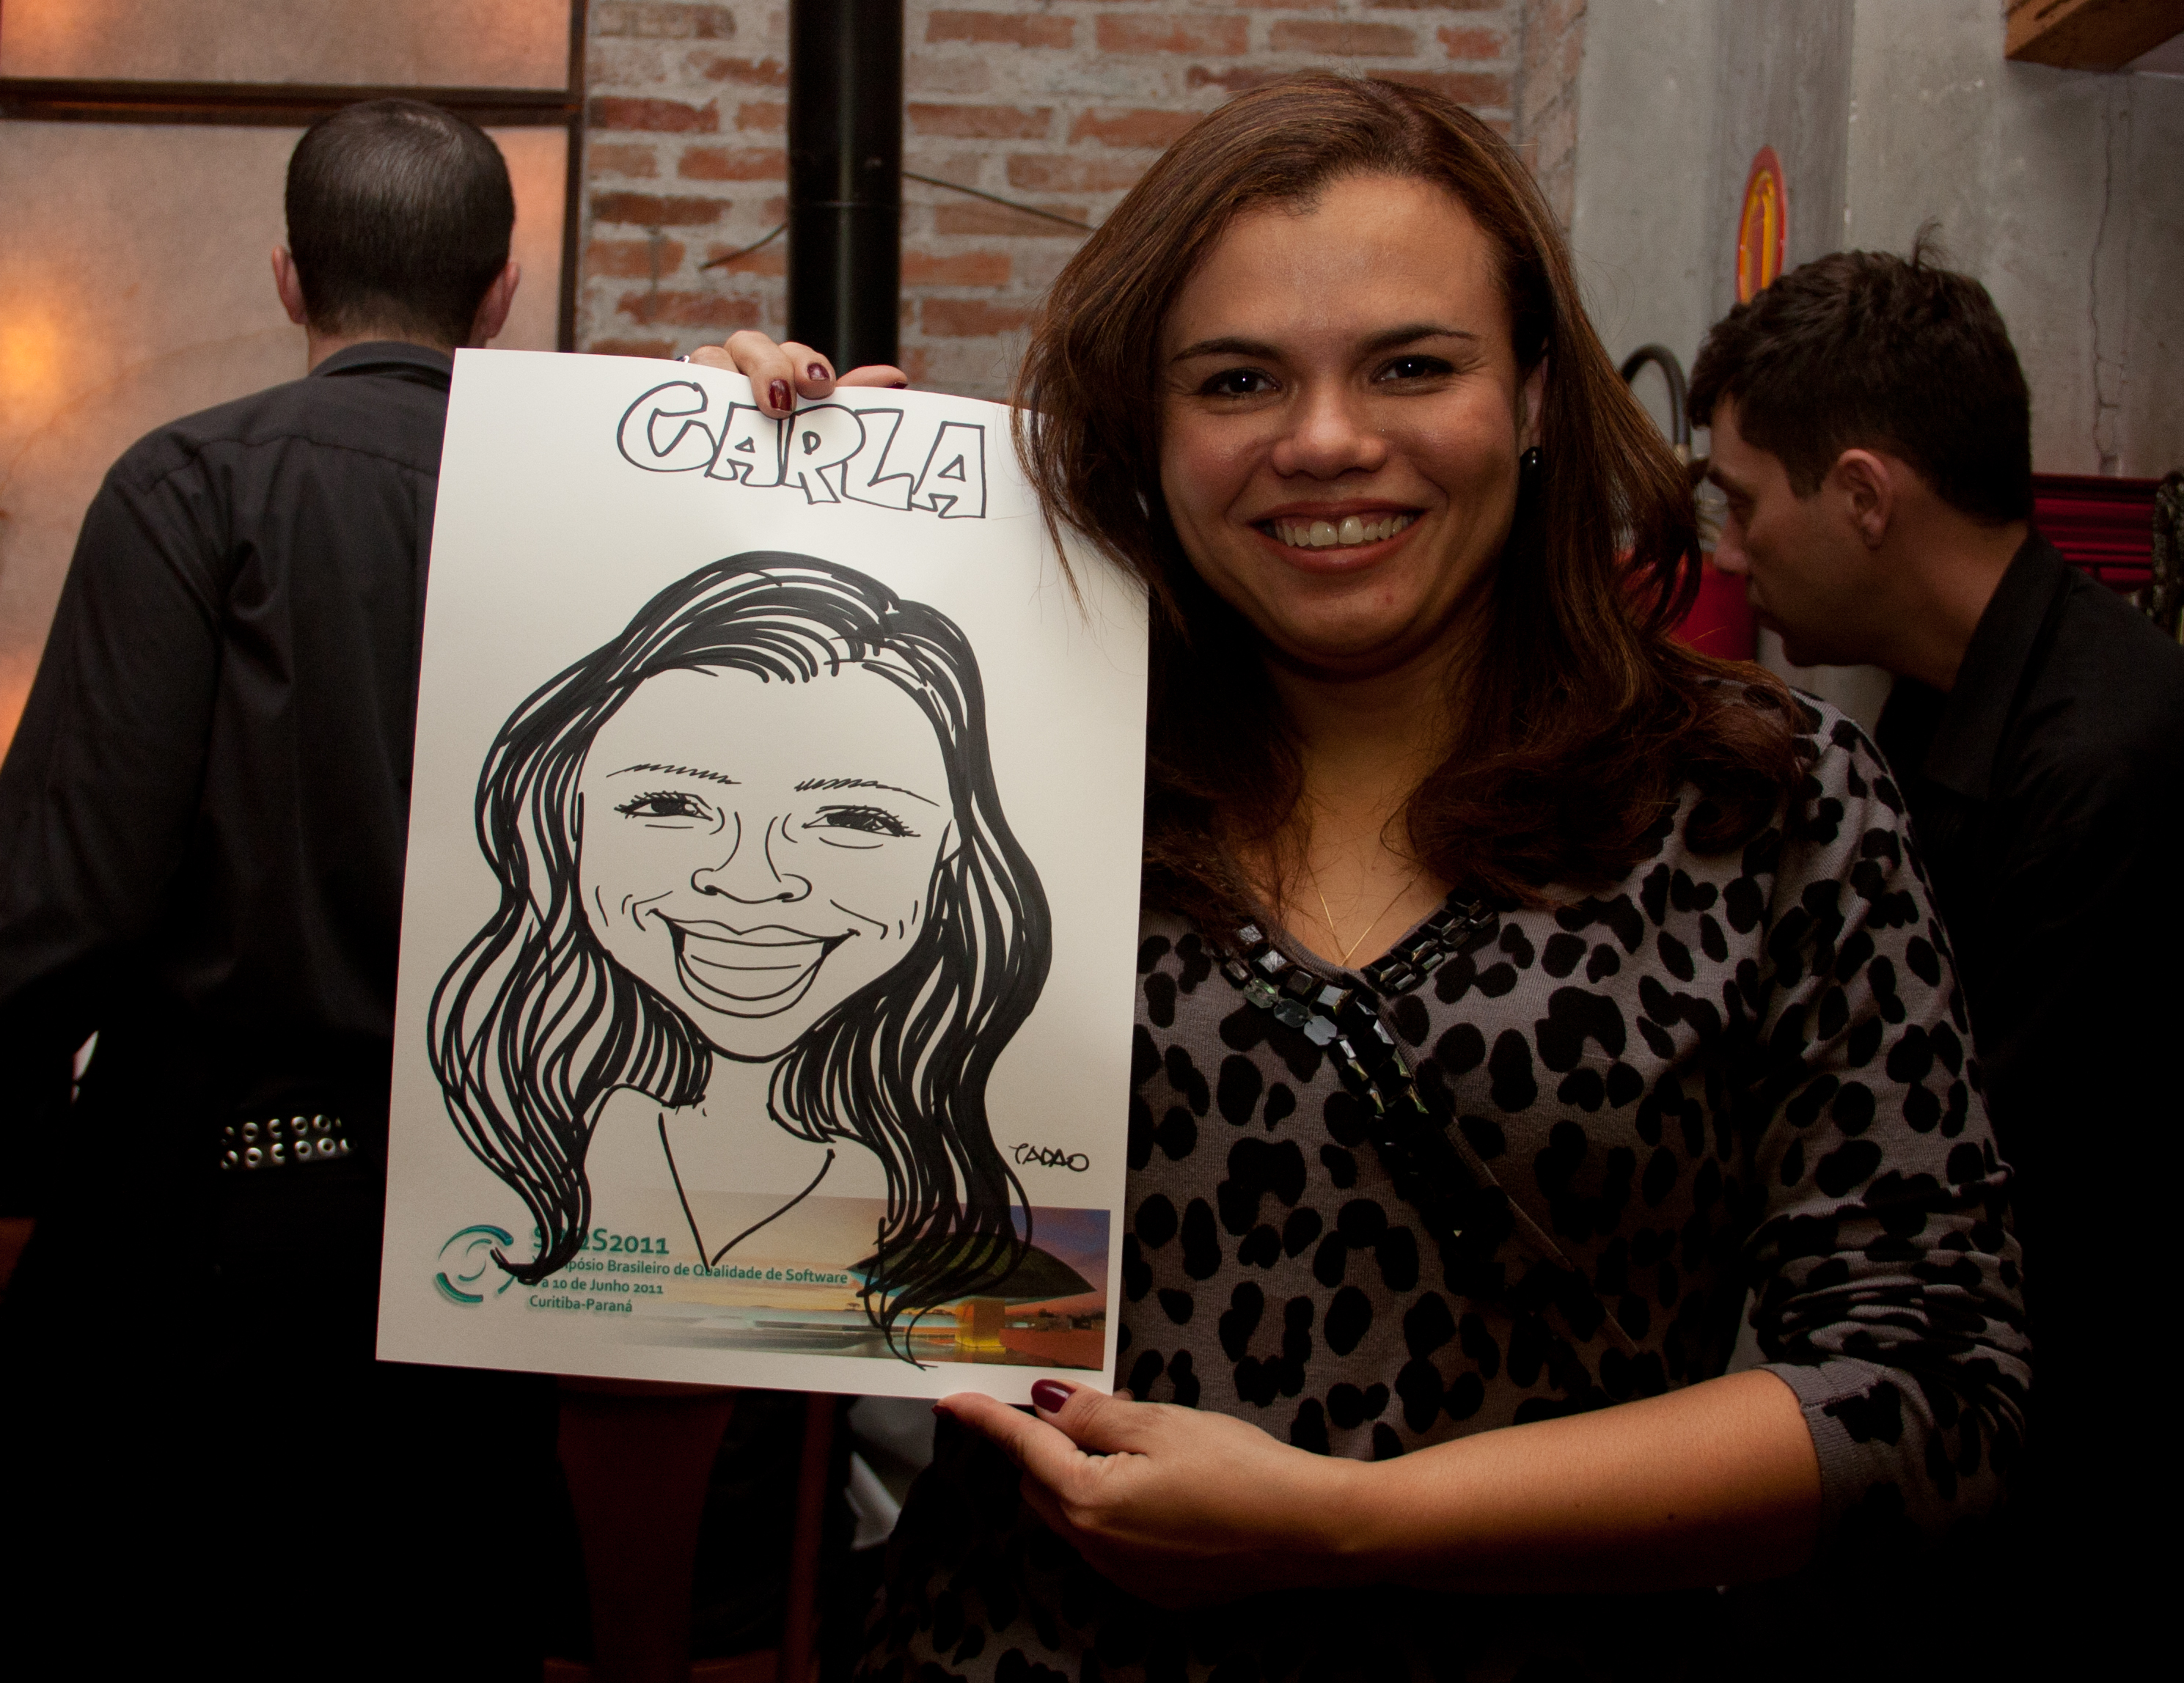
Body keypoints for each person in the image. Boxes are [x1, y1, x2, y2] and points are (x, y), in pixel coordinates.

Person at [706, 75, 2029, 1676]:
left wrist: (1352, 1520)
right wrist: (700, 521)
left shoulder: (1764, 800)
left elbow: (1929, 1394)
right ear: (1147, 428)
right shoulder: (993, 778)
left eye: (1411, 365)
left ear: (1532, 395)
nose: (1325, 441)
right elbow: (735, 1217)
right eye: (1237, 379)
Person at [0, 100, 880, 1675]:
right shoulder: (616, 511)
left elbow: (65, 906)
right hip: (515, 1231)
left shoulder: (190, 485)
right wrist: (814, 468)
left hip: (214, 1230)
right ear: (498, 290)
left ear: (289, 275)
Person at [1685, 247, 2184, 1649]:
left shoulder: (2106, 767)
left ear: (1863, 496)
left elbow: (1988, 1213)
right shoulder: (1947, 698)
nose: (1729, 553)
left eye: (1742, 501)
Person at [431, 551, 1051, 1337]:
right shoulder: (507, 1157)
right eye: (669, 803)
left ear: (951, 849)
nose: (751, 881)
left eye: (855, 819)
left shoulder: (973, 1199)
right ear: (568, 817)